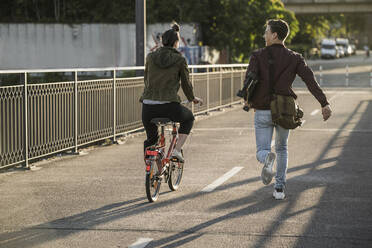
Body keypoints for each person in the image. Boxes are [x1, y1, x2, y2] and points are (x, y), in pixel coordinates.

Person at [245, 19, 332, 200]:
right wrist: (324, 103)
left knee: (262, 149)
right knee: (282, 148)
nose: (264, 35)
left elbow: (250, 81)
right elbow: (310, 80)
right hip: (284, 110)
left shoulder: (257, 55)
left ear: (274, 35)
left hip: (262, 109)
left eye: (266, 32)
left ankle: (267, 158)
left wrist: (248, 101)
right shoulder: (295, 57)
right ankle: (279, 189)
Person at [140, 23, 202, 163]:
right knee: (189, 119)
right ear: (176, 42)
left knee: (152, 139)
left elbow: (146, 79)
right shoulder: (180, 60)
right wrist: (192, 98)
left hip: (148, 107)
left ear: (162, 41)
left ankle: (153, 173)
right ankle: (176, 150)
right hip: (169, 106)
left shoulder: (150, 57)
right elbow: (186, 84)